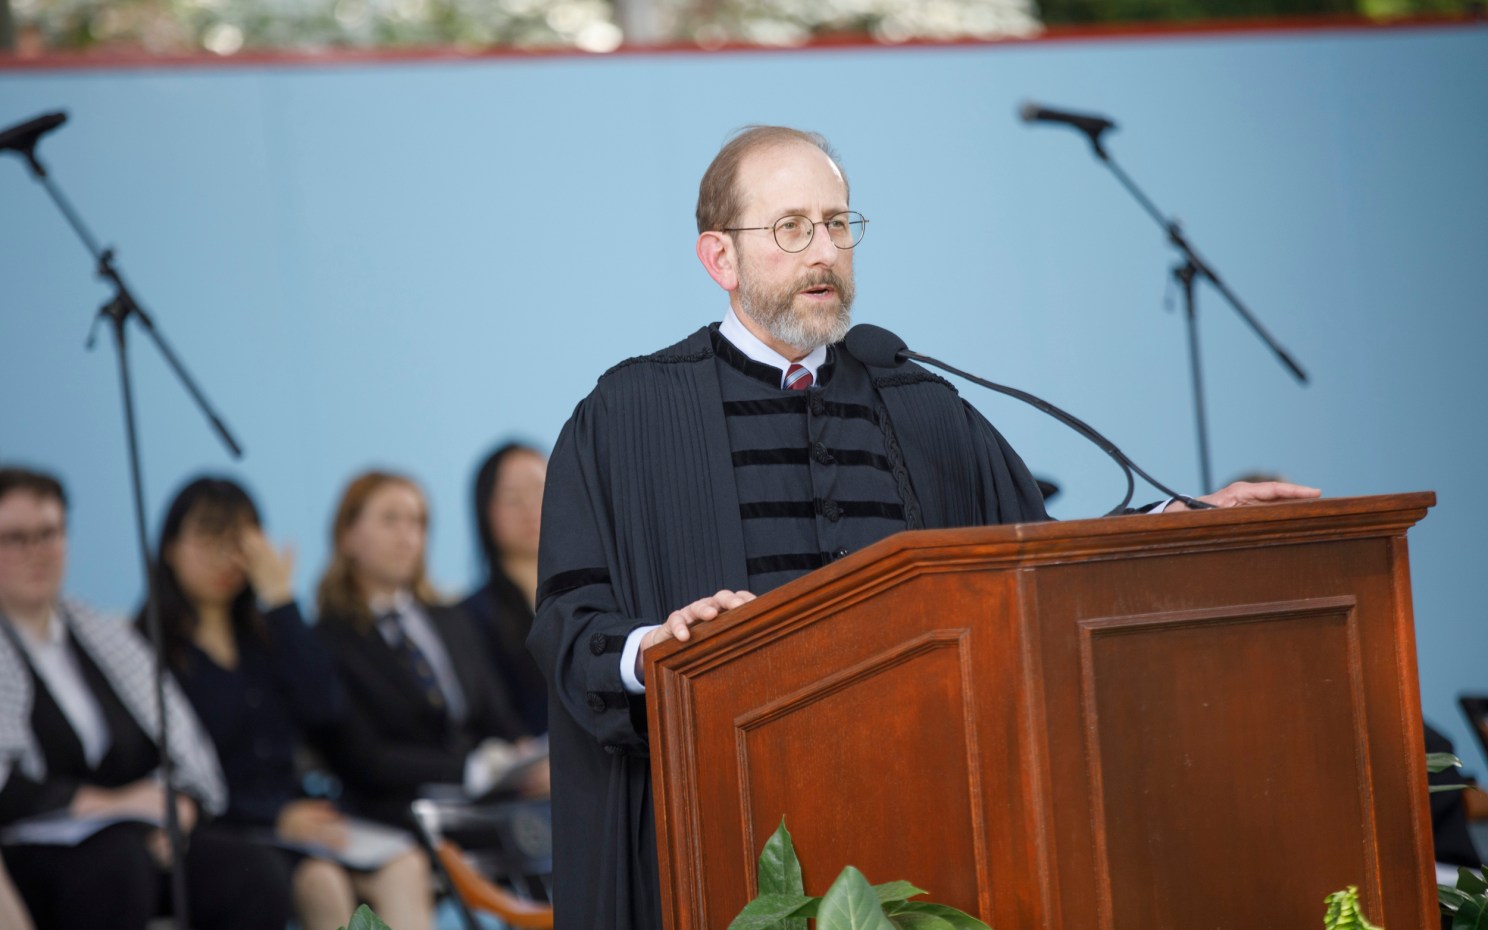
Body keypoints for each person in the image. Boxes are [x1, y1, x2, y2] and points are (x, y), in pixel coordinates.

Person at [527, 125, 1322, 930]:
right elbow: (567, 623)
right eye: (792, 227)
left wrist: (1178, 519)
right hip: (735, 833)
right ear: (719, 259)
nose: (824, 252)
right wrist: (657, 647)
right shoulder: (627, 418)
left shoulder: (917, 404)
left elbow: (1031, 561)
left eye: (838, 224)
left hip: (919, 820)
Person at [0, 466, 291, 930]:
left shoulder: (104, 636)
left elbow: (182, 748)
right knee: (117, 864)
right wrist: (106, 807)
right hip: (39, 852)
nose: (37, 553)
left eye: (49, 534)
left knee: (254, 873)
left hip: (141, 836)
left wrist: (177, 807)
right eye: (14, 538)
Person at [142, 476, 434, 930]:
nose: (225, 555)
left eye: (238, 539)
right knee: (322, 882)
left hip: (302, 819)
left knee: (406, 864)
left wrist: (280, 600)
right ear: (171, 547)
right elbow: (171, 775)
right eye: (208, 537)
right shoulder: (148, 650)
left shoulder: (268, 636)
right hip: (226, 830)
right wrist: (274, 816)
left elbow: (326, 708)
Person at [314, 470, 543, 832]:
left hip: (491, 803)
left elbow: (495, 712)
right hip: (398, 815)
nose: (408, 536)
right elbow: (363, 757)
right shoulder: (328, 640)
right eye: (390, 520)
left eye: (418, 522)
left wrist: (525, 756)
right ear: (348, 535)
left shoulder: (452, 619)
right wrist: (469, 770)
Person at [461, 442, 550, 737]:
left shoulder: (600, 596)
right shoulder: (469, 617)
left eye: (541, 490)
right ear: (485, 510)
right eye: (512, 498)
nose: (530, 508)